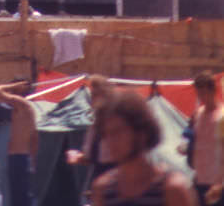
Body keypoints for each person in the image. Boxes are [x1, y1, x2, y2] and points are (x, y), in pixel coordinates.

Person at [90, 91, 195, 206]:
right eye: (106, 134)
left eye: (117, 132)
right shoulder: (103, 190)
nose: (110, 141)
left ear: (141, 132)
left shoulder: (171, 188)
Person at [0, 79, 38, 206]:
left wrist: (14, 85)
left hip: (18, 157)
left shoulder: (21, 103)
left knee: (19, 197)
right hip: (22, 157)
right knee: (20, 196)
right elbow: (34, 137)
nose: (10, 93)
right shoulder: (28, 108)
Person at [67, 76, 116, 189]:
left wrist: (75, 156)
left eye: (94, 95)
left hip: (107, 180)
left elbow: (92, 157)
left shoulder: (102, 124)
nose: (91, 99)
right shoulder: (100, 122)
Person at [191, 72, 224, 206]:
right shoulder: (198, 114)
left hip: (216, 182)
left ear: (213, 90)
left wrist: (221, 183)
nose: (201, 97)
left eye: (204, 93)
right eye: (198, 93)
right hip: (199, 179)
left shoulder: (222, 117)